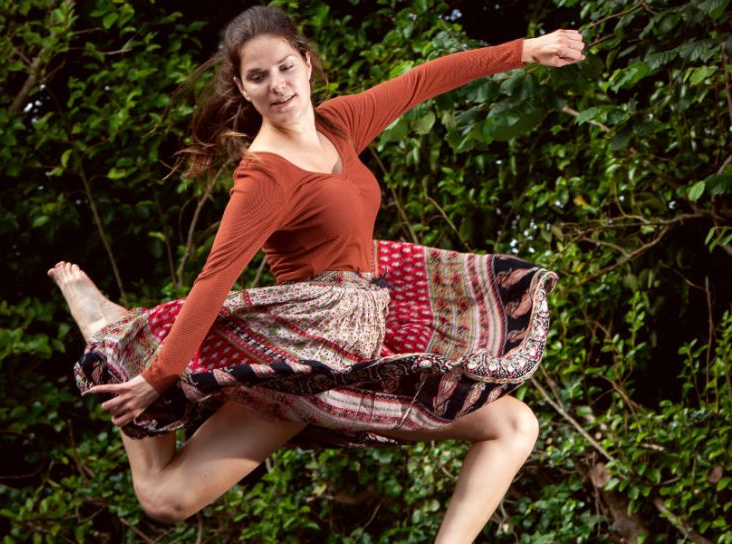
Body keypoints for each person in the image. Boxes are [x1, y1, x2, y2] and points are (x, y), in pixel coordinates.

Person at [49, 6, 584, 542]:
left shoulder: (339, 123)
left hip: (364, 338)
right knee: (164, 500)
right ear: (243, 88)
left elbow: (421, 80)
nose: (277, 85)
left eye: (285, 67)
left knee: (515, 424)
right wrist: (158, 375)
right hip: (306, 346)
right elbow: (214, 279)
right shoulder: (263, 177)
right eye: (258, 76)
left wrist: (526, 50)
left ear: (306, 63)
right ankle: (116, 336)